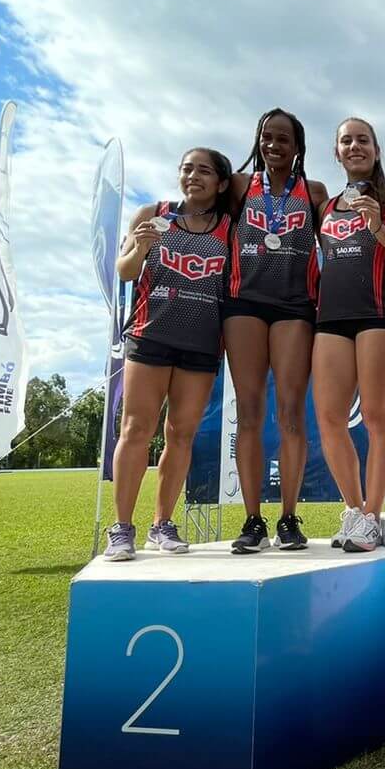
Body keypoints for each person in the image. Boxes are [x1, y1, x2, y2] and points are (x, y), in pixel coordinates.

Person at [105, 148, 234, 561]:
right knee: (136, 430)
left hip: (201, 343)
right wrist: (139, 249)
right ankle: (122, 529)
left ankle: (163, 525)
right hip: (150, 335)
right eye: (187, 169)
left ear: (221, 183)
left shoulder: (229, 229)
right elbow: (124, 271)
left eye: (204, 171)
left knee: (180, 434)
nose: (193, 176)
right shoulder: (153, 213)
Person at [313, 117, 385, 553]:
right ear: (336, 153)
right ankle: (355, 510)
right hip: (330, 320)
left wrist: (379, 227)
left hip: (379, 316)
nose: (355, 146)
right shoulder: (325, 205)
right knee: (329, 420)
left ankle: (374, 515)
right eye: (346, 140)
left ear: (376, 150)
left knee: (377, 417)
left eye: (363, 140)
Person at [222, 107, 328, 554]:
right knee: (248, 411)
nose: (274, 145)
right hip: (243, 302)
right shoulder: (241, 187)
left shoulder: (315, 191)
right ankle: (251, 520)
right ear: (257, 140)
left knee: (289, 412)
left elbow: (337, 242)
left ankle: (287, 517)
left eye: (283, 138)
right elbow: (203, 215)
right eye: (267, 137)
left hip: (295, 306)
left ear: (298, 145)